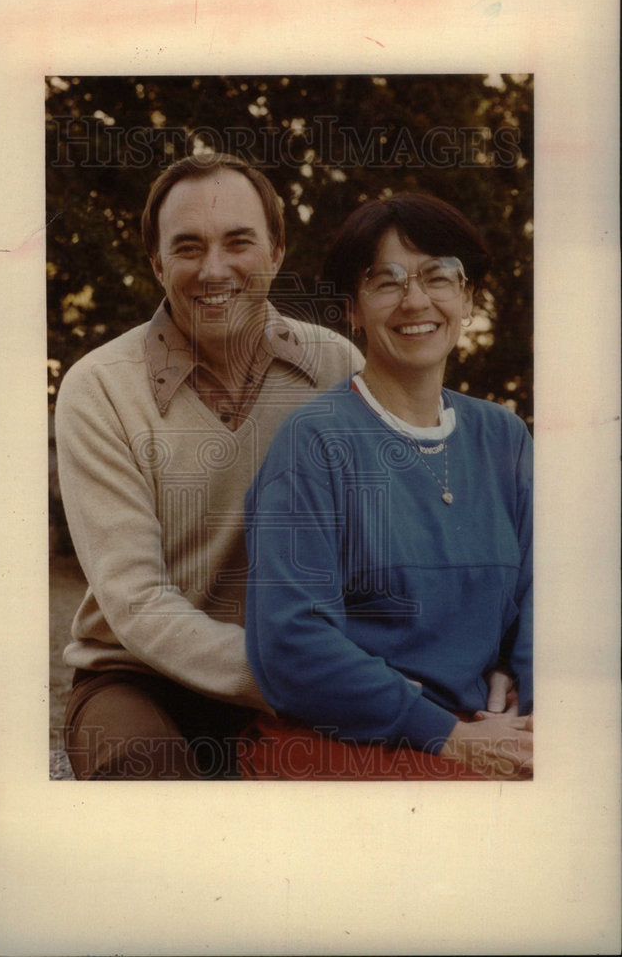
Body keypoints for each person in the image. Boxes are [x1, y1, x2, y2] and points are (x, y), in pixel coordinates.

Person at [55, 153, 363, 779]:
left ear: (276, 251)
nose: (214, 269)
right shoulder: (100, 388)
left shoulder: (339, 369)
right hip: (135, 677)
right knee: (146, 775)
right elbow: (137, 602)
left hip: (311, 664)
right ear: (157, 262)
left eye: (239, 242)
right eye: (188, 246)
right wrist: (298, 677)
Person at [242, 192, 533, 781]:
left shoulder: (503, 435)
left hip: (488, 725)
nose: (416, 300)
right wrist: (445, 733)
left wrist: (525, 688)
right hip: (356, 742)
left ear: (469, 298)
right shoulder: (314, 443)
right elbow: (290, 642)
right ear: (353, 308)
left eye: (438, 277)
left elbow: (545, 594)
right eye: (387, 281)